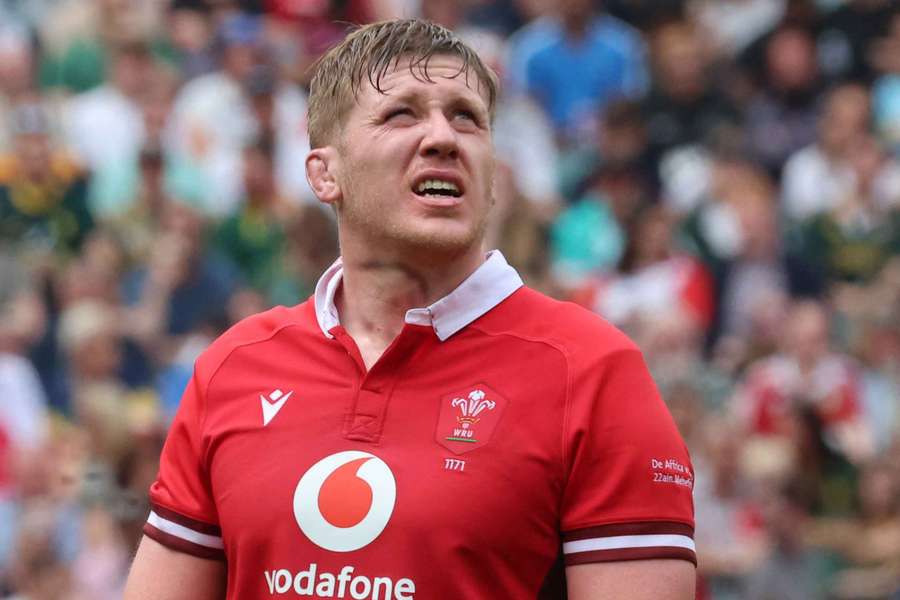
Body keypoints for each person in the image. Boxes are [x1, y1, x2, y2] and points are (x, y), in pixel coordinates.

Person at [124, 19, 695, 599]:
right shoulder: (233, 366)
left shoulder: (594, 370)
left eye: (467, 118)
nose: (444, 137)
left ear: (492, 177)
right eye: (403, 114)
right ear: (325, 174)